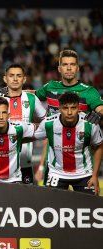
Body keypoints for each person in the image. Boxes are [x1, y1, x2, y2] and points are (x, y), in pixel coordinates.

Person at [34, 49, 103, 183]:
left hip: (81, 160)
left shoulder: (88, 91)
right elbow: (32, 96)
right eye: (65, 64)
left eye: (72, 64)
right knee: (52, 203)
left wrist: (98, 114)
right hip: (54, 161)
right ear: (59, 68)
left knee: (85, 203)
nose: (69, 68)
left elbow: (101, 108)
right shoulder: (50, 87)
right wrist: (12, 91)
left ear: (77, 68)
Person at [33, 92, 103, 195]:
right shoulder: (48, 123)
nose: (69, 112)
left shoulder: (90, 124)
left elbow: (99, 146)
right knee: (51, 208)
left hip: (84, 174)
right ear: (59, 108)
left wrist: (95, 176)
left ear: (78, 108)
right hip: (56, 174)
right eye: (65, 108)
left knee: (89, 208)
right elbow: (32, 136)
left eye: (73, 108)